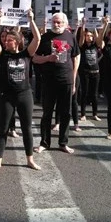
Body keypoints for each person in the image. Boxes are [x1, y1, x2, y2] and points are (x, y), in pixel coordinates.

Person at [0, 8, 41, 171]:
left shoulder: (26, 54)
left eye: (9, 40)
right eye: (6, 40)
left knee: (26, 128)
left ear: (17, 42)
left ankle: (29, 159)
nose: (6, 42)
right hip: (7, 96)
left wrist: (31, 20)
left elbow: (37, 39)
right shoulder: (2, 55)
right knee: (3, 128)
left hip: (24, 95)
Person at [32, 12, 80, 154]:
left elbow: (76, 57)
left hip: (66, 80)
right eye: (54, 22)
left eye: (59, 22)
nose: (56, 24)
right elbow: (34, 58)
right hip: (49, 81)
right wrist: (47, 58)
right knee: (47, 113)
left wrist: (74, 78)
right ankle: (44, 143)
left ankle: (63, 143)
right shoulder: (45, 38)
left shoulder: (70, 37)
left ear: (65, 23)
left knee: (66, 113)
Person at [78, 21, 101, 122]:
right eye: (87, 35)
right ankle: (83, 114)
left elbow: (99, 38)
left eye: (91, 36)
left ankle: (94, 114)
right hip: (85, 73)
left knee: (94, 94)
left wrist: (94, 26)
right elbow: (81, 39)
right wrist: (83, 25)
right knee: (84, 93)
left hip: (95, 73)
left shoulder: (95, 46)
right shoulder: (82, 47)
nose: (89, 37)